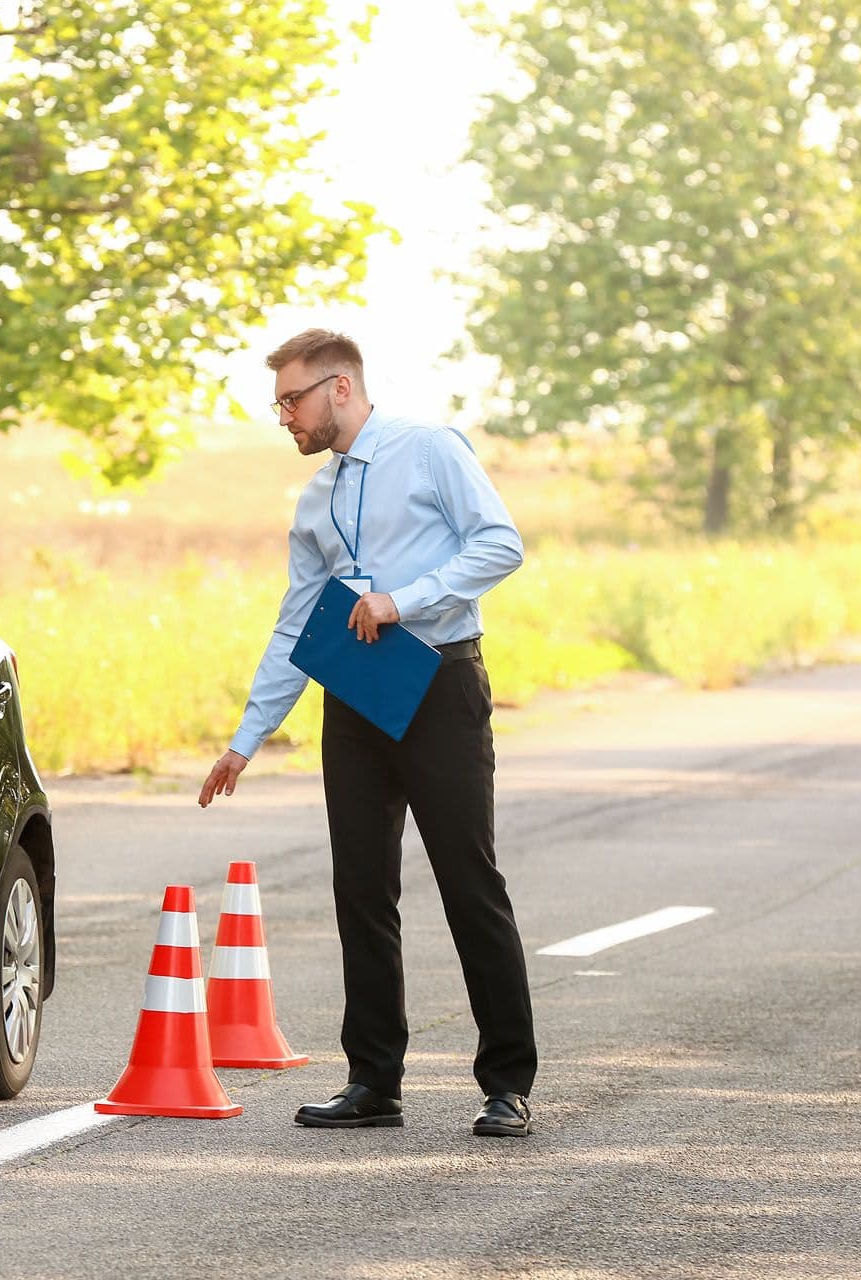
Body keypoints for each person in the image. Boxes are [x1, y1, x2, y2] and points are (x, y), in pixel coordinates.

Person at [198, 329, 537, 1138]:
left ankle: (507, 1083)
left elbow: (501, 544)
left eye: (293, 398)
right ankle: (373, 1081)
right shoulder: (315, 500)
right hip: (353, 689)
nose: (284, 415)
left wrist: (403, 600)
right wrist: (248, 737)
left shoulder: (428, 451)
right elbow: (296, 624)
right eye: (279, 401)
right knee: (361, 889)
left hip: (440, 678)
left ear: (340, 388)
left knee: (468, 881)